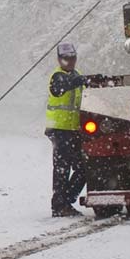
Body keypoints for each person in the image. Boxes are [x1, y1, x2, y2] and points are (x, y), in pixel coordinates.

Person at [46, 42, 90, 217]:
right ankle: (59, 205)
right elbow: (60, 88)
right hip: (59, 130)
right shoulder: (57, 77)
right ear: (59, 59)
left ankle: (66, 200)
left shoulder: (77, 76)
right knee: (62, 168)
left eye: (72, 58)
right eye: (66, 59)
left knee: (83, 167)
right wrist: (82, 80)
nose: (70, 62)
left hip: (74, 130)